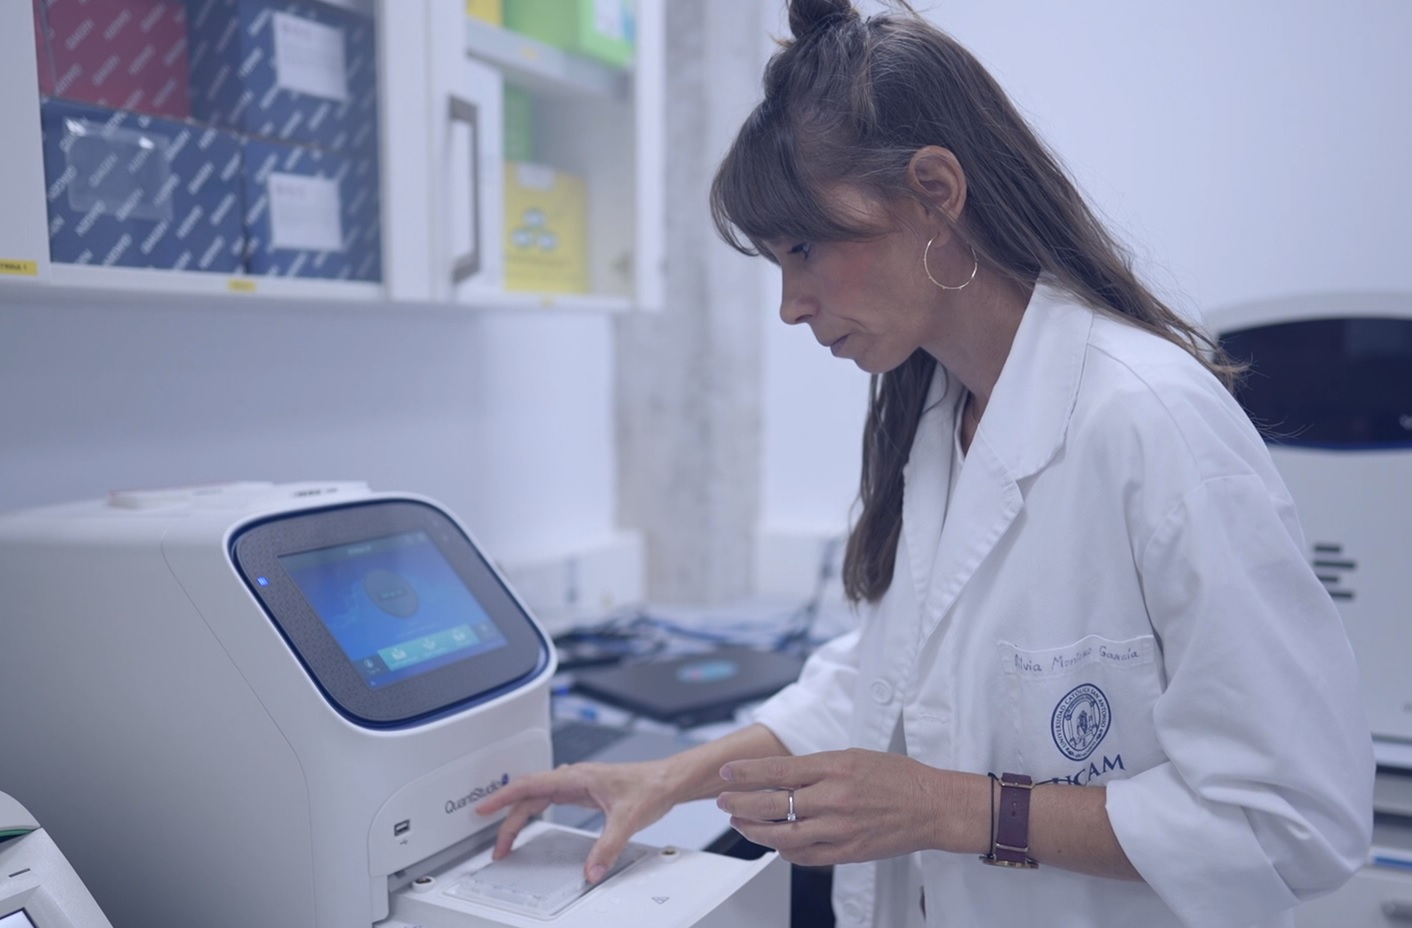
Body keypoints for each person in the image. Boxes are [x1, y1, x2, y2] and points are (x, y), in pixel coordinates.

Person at [477, 1, 1375, 925]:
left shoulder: (1154, 425)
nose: (790, 304)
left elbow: (1295, 821)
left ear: (936, 194)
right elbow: (883, 679)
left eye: (805, 248)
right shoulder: (942, 409)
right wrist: (669, 778)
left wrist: (948, 808)